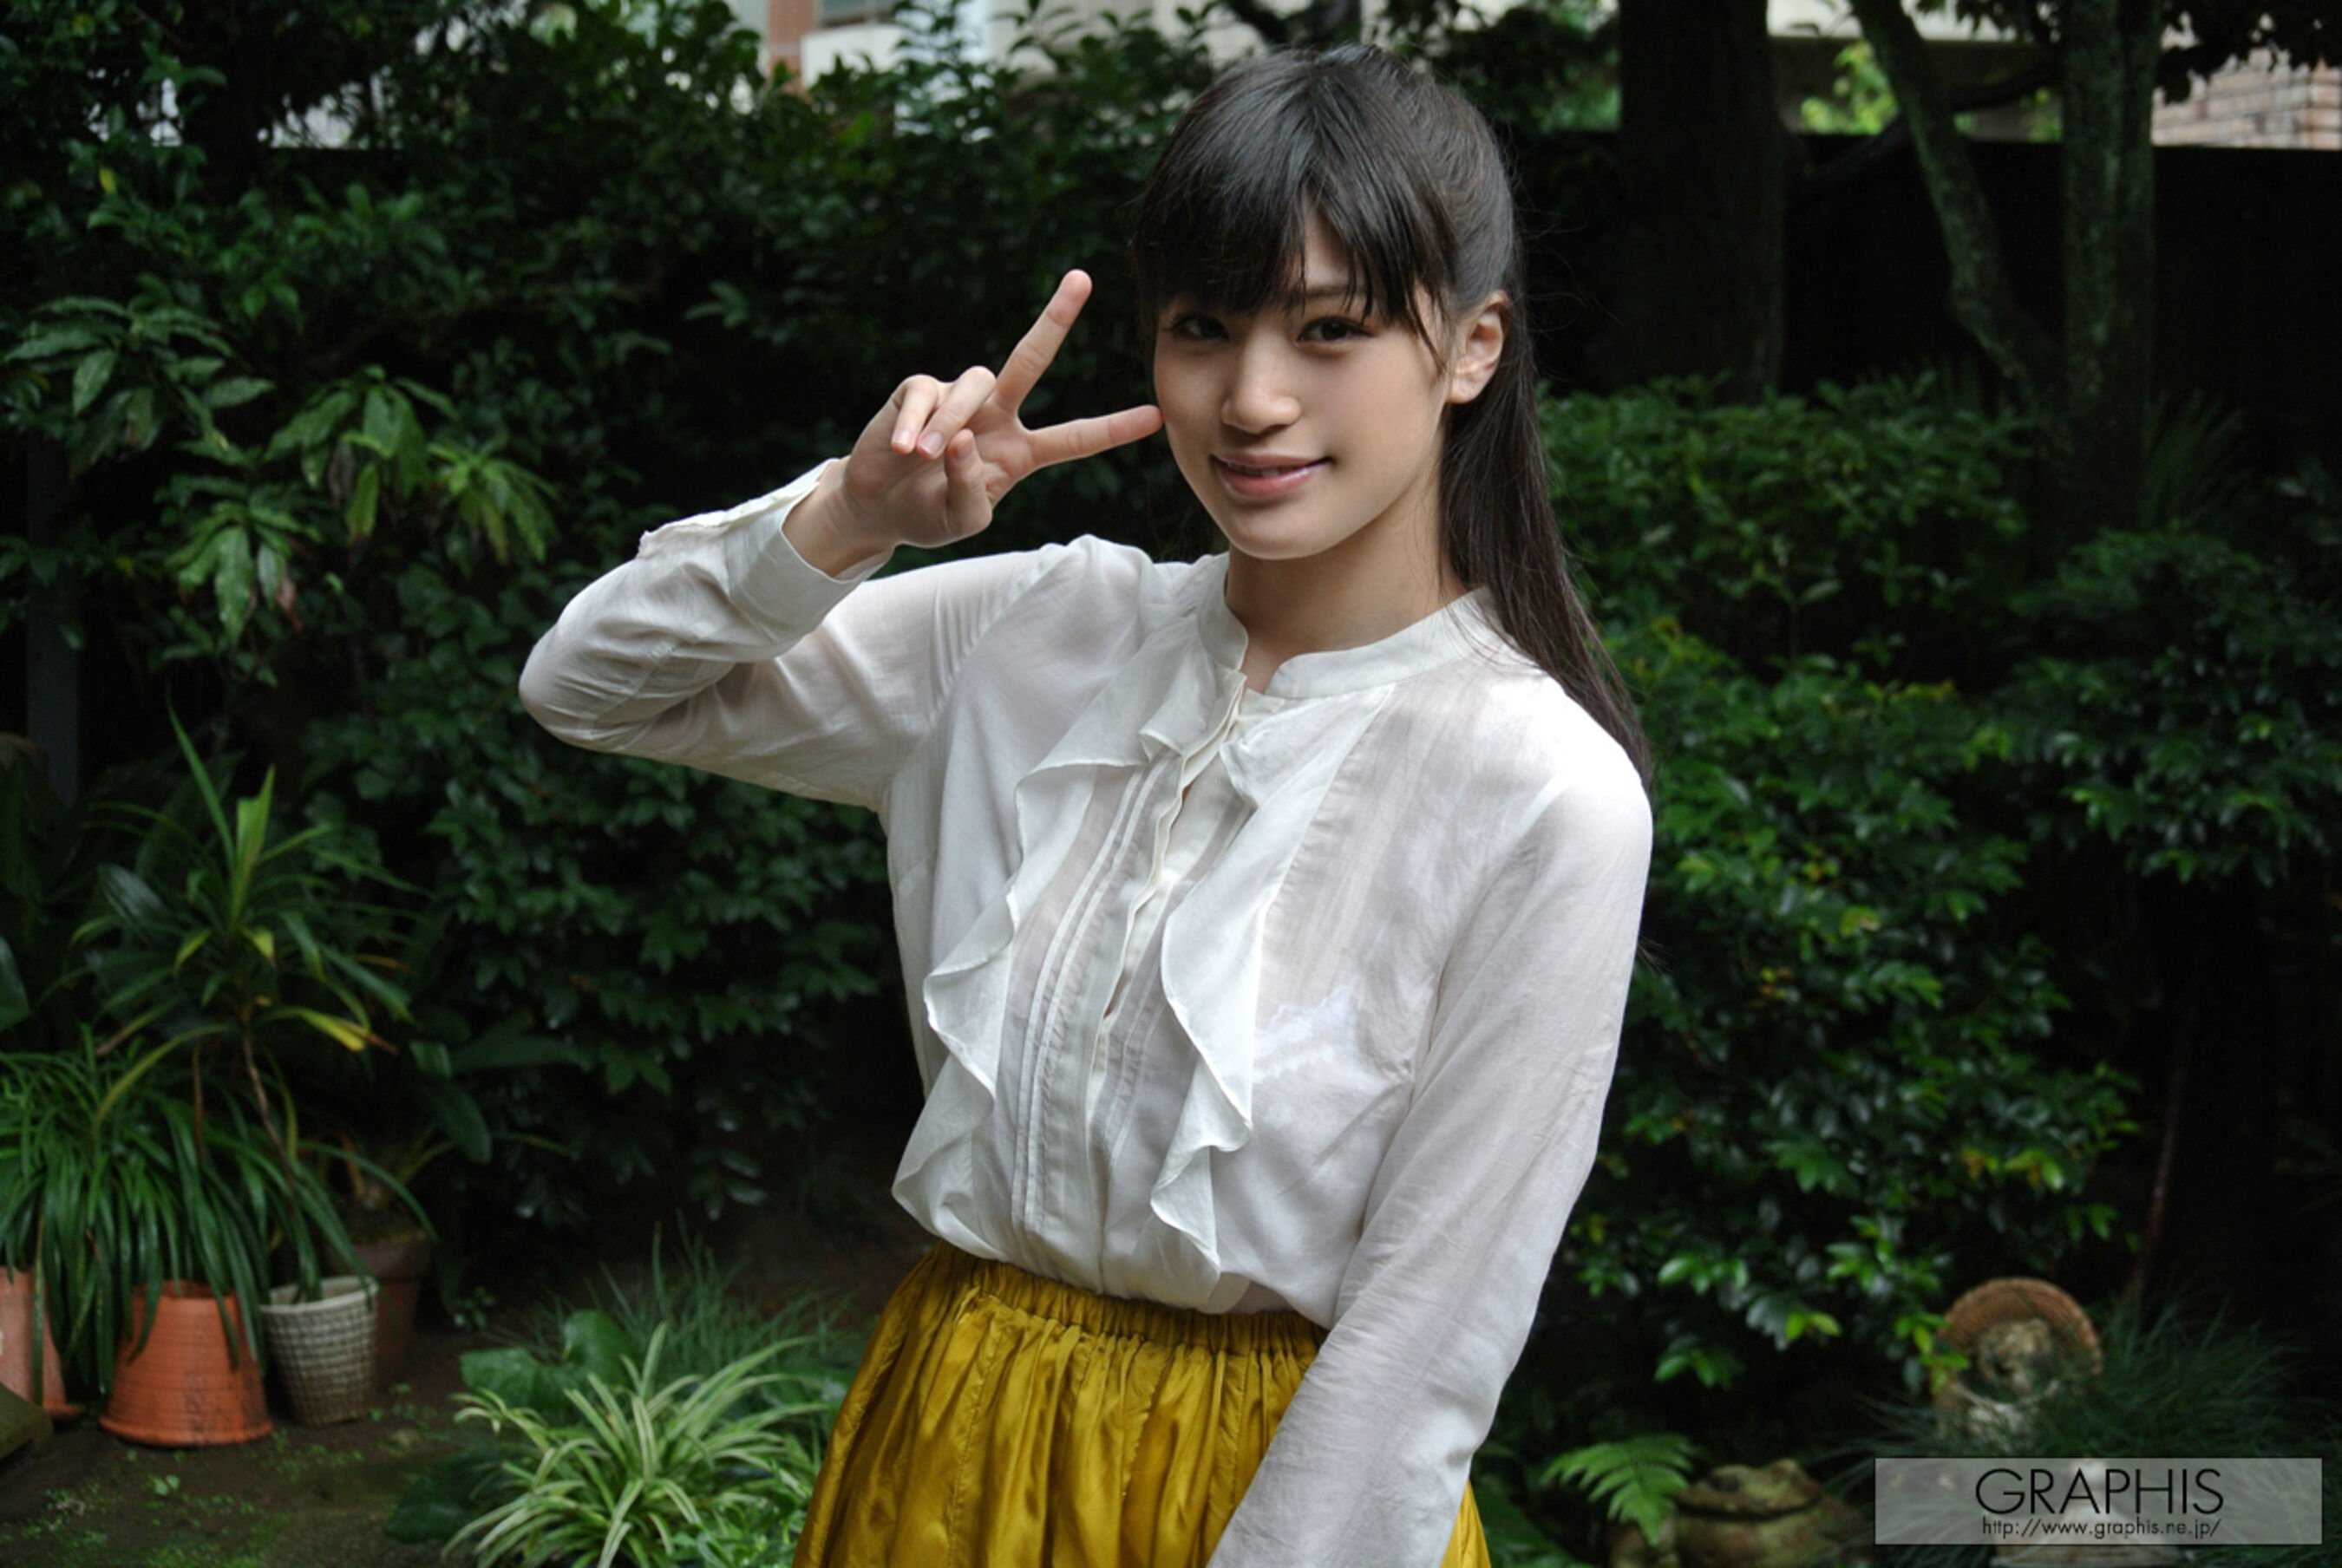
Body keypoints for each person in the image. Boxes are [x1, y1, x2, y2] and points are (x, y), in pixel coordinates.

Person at [518, 39, 1654, 1568]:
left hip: (1272, 1493)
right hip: (948, 1447)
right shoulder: (1037, 633)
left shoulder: (1544, 793)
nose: (1252, 399)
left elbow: (1426, 1340)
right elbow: (589, 684)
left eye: (1331, 329)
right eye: (1203, 328)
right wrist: (850, 515)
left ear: (1472, 347)